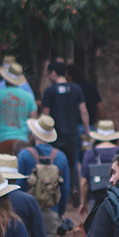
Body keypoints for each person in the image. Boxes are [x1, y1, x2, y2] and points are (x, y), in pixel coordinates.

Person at [16, 115, 70, 237]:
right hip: (50, 211)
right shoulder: (61, 157)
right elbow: (66, 188)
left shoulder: (25, 155)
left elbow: (19, 184)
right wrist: (59, 213)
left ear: (34, 134)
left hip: (25, 212)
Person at [40, 60, 88, 208]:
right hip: (72, 134)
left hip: (55, 135)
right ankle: (74, 188)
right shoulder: (76, 89)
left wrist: (41, 133)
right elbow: (83, 110)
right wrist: (87, 131)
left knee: (55, 164)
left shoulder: (50, 91)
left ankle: (57, 193)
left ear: (53, 73)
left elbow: (45, 115)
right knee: (72, 164)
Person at [0, 63, 38, 157]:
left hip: (1, 139)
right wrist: (30, 139)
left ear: (6, 78)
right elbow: (33, 121)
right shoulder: (29, 97)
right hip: (22, 141)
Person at [79, 119, 119, 227]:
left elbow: (84, 182)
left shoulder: (90, 153)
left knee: (97, 231)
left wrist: (83, 202)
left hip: (96, 200)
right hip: (118, 200)